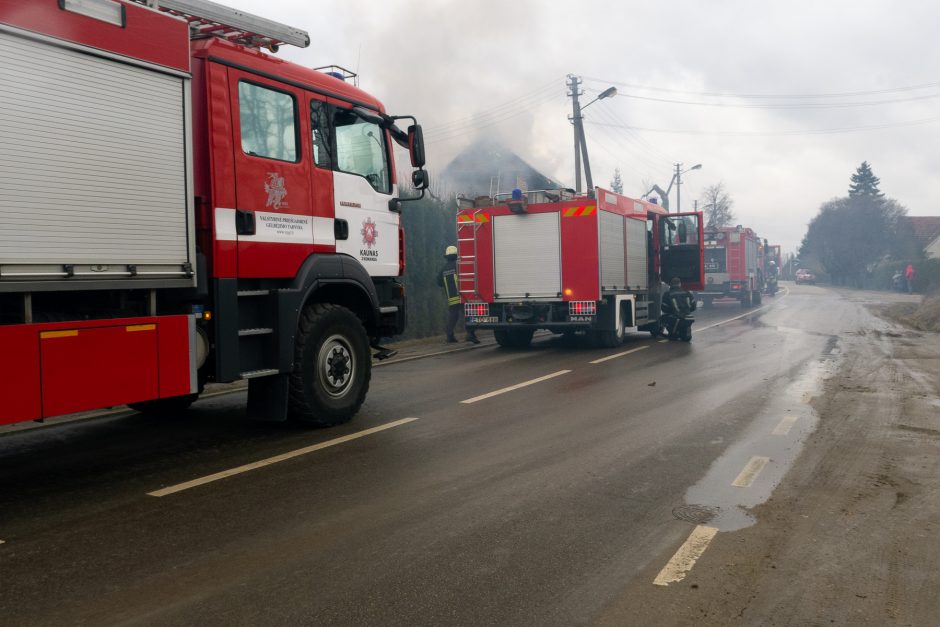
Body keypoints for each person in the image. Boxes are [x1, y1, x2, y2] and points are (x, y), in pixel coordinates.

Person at [437, 245, 479, 344]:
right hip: (463, 296)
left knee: (453, 316)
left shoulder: (443, 269)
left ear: (446, 257)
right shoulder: (459, 265)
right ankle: (470, 334)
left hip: (452, 298)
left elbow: (439, 283)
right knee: (469, 315)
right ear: (456, 255)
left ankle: (450, 336)